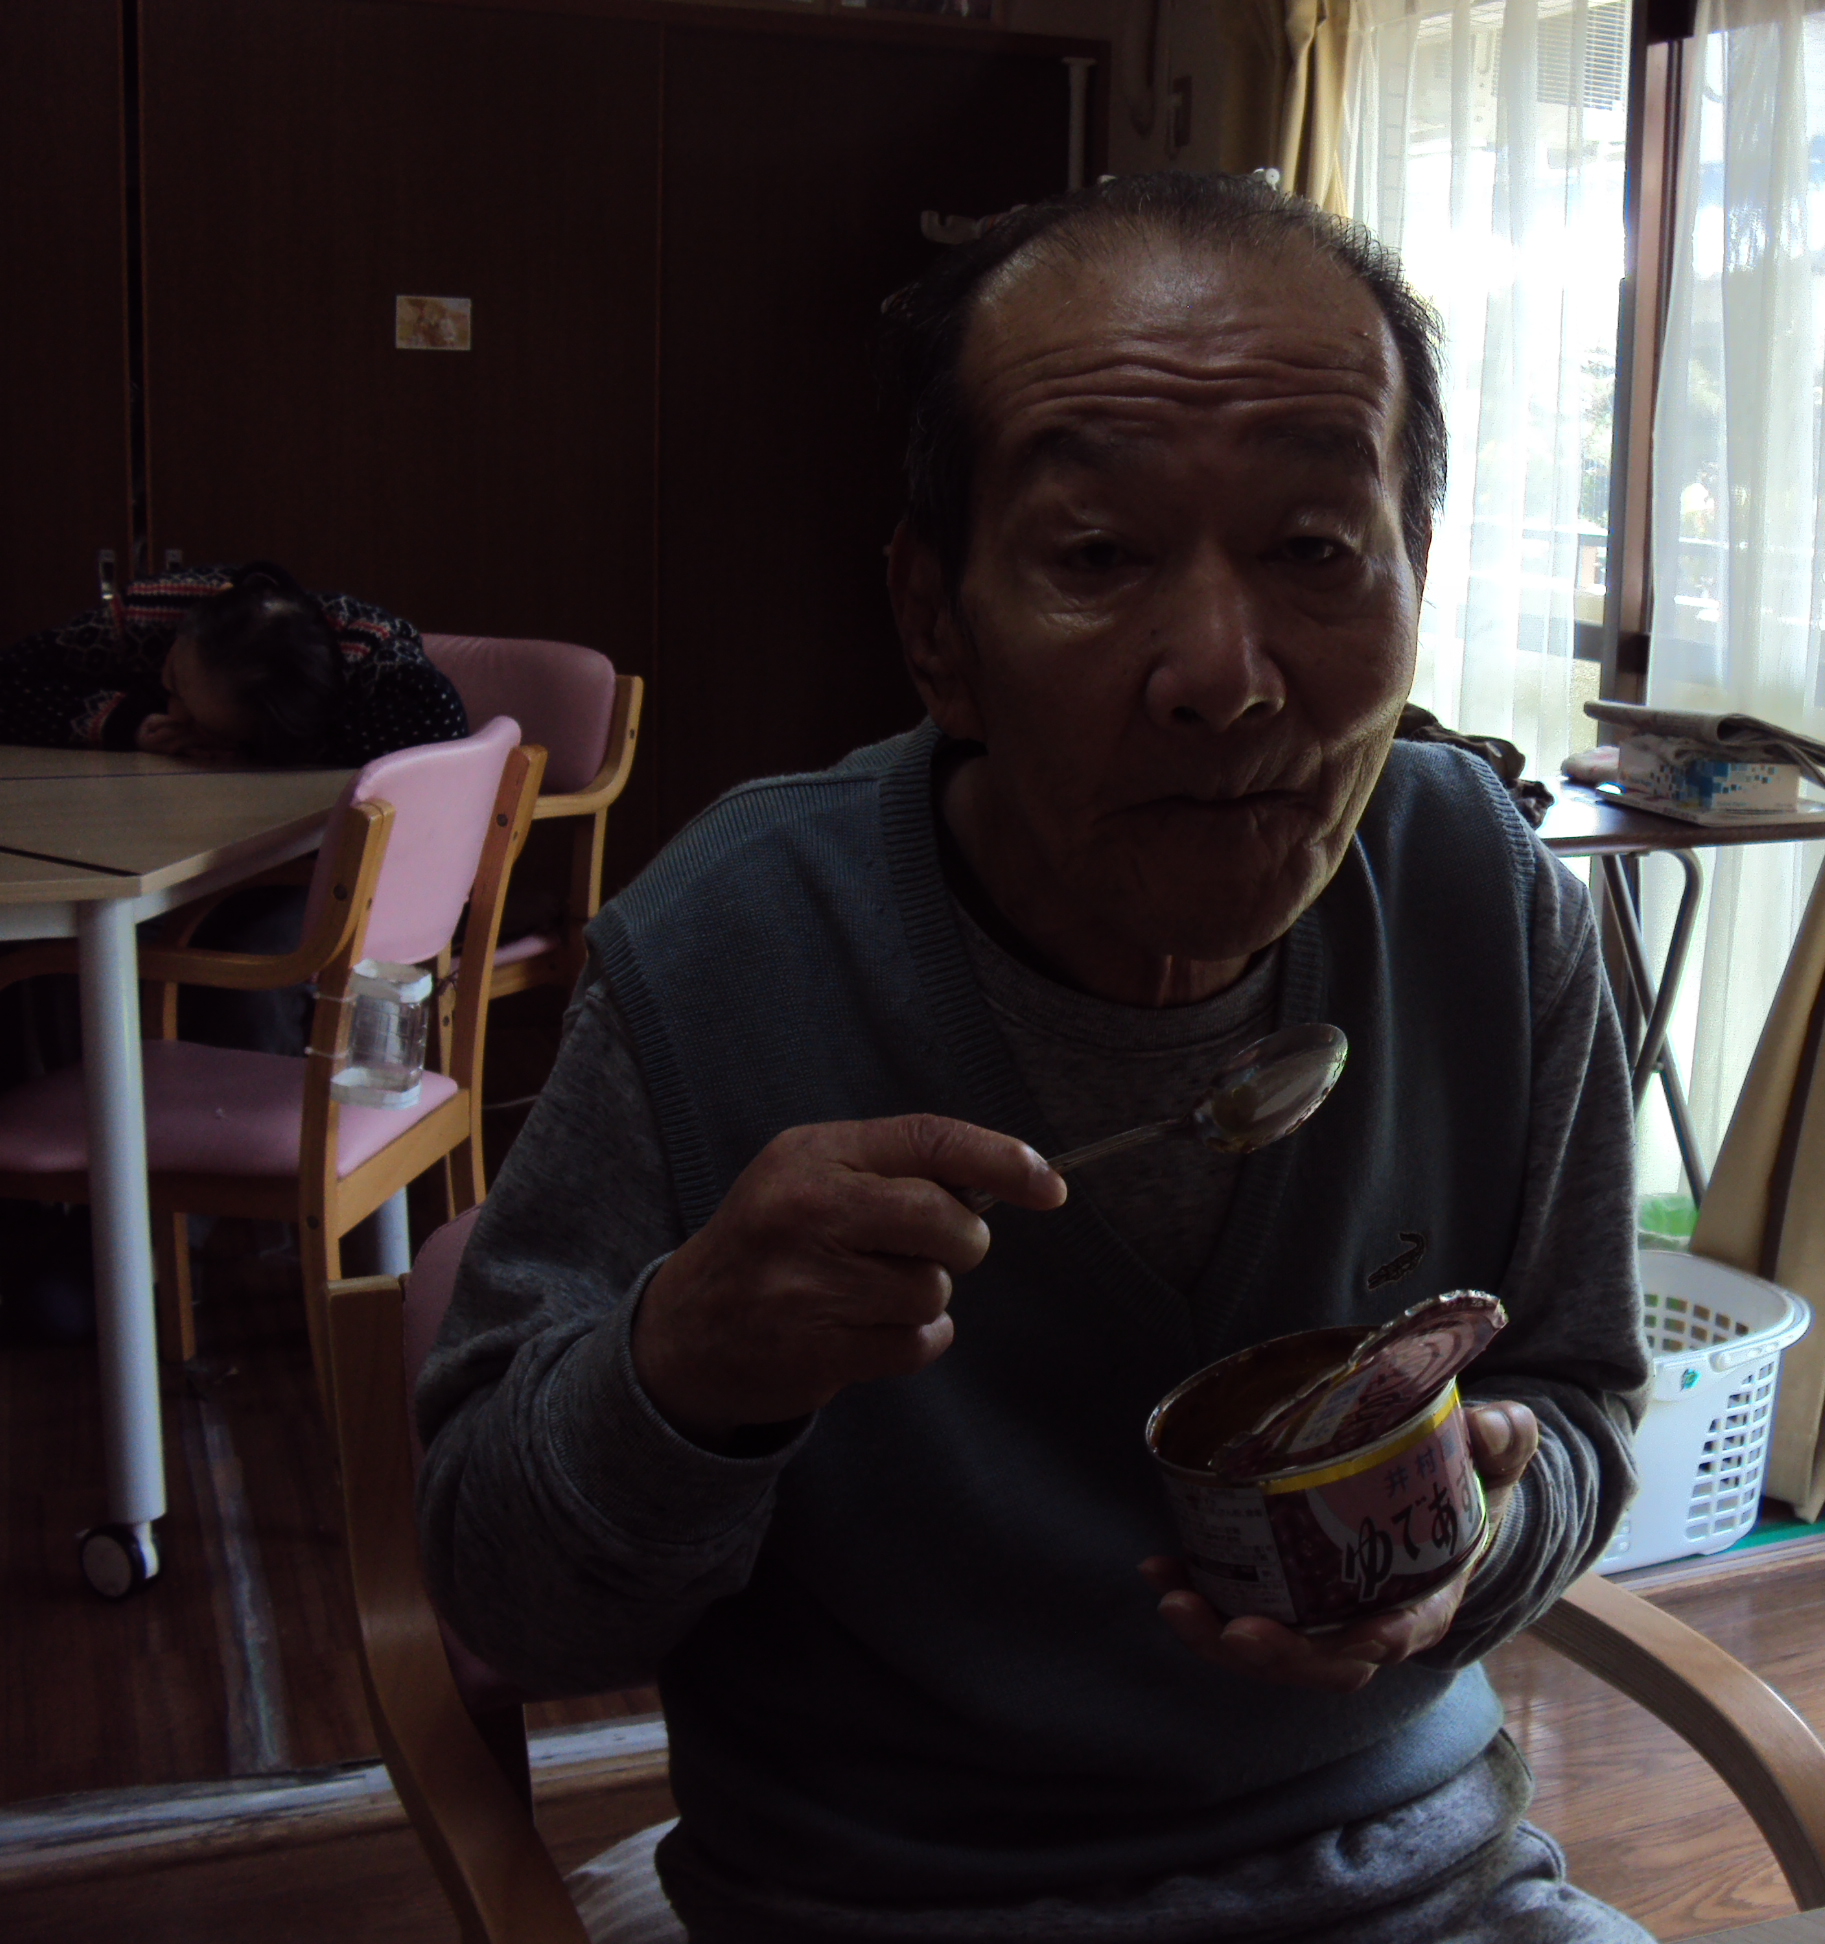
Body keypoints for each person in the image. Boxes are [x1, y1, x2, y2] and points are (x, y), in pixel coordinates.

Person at [418, 173, 1653, 1944]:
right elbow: (507, 1597)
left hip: (1423, 1876)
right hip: (881, 1906)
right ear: (937, 626)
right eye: (1097, 556)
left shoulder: (1486, 897)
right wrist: (685, 1371)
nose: (1223, 674)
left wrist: (1473, 1549)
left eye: (1315, 548)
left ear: (1417, 575)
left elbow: (1579, 1395)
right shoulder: (730, 951)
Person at [0, 561, 467, 767]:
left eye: (205, 725)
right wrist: (129, 722)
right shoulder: (151, 613)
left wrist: (273, 752)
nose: (175, 714)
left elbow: (443, 723)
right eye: (172, 683)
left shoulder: (372, 653)